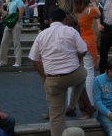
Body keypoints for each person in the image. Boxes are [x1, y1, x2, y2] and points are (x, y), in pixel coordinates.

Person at [29, 8, 88, 136]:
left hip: (52, 78)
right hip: (73, 74)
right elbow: (83, 49)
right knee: (84, 74)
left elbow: (34, 59)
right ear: (65, 19)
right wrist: (77, 59)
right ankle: (72, 104)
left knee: (56, 116)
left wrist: (43, 75)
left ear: (51, 20)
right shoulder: (71, 31)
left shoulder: (42, 34)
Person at [74, 0, 100, 111]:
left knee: (72, 71)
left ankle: (71, 103)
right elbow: (99, 14)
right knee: (89, 72)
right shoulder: (90, 11)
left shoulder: (73, 13)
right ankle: (91, 101)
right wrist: (93, 2)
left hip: (76, 42)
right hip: (89, 41)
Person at [0, 0, 24, 68]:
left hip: (15, 23)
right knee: (4, 42)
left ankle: (18, 62)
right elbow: (8, 13)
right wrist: (1, 13)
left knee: (16, 42)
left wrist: (18, 20)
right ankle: (3, 61)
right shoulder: (9, 2)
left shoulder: (18, 1)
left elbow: (21, 10)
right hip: (9, 23)